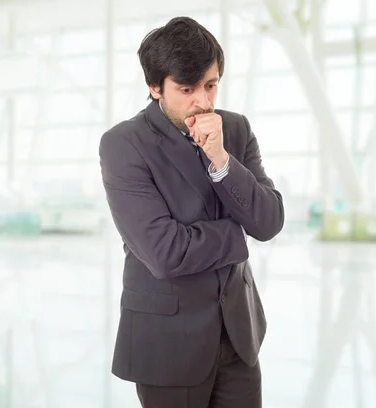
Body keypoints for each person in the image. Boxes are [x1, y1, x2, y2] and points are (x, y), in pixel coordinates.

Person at [99, 16, 284, 408]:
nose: (203, 101)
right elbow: (166, 254)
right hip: (168, 343)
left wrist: (220, 159)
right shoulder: (123, 145)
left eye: (211, 85)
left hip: (238, 336)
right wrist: (236, 234)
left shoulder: (234, 130)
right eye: (187, 89)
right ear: (155, 88)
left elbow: (268, 222)